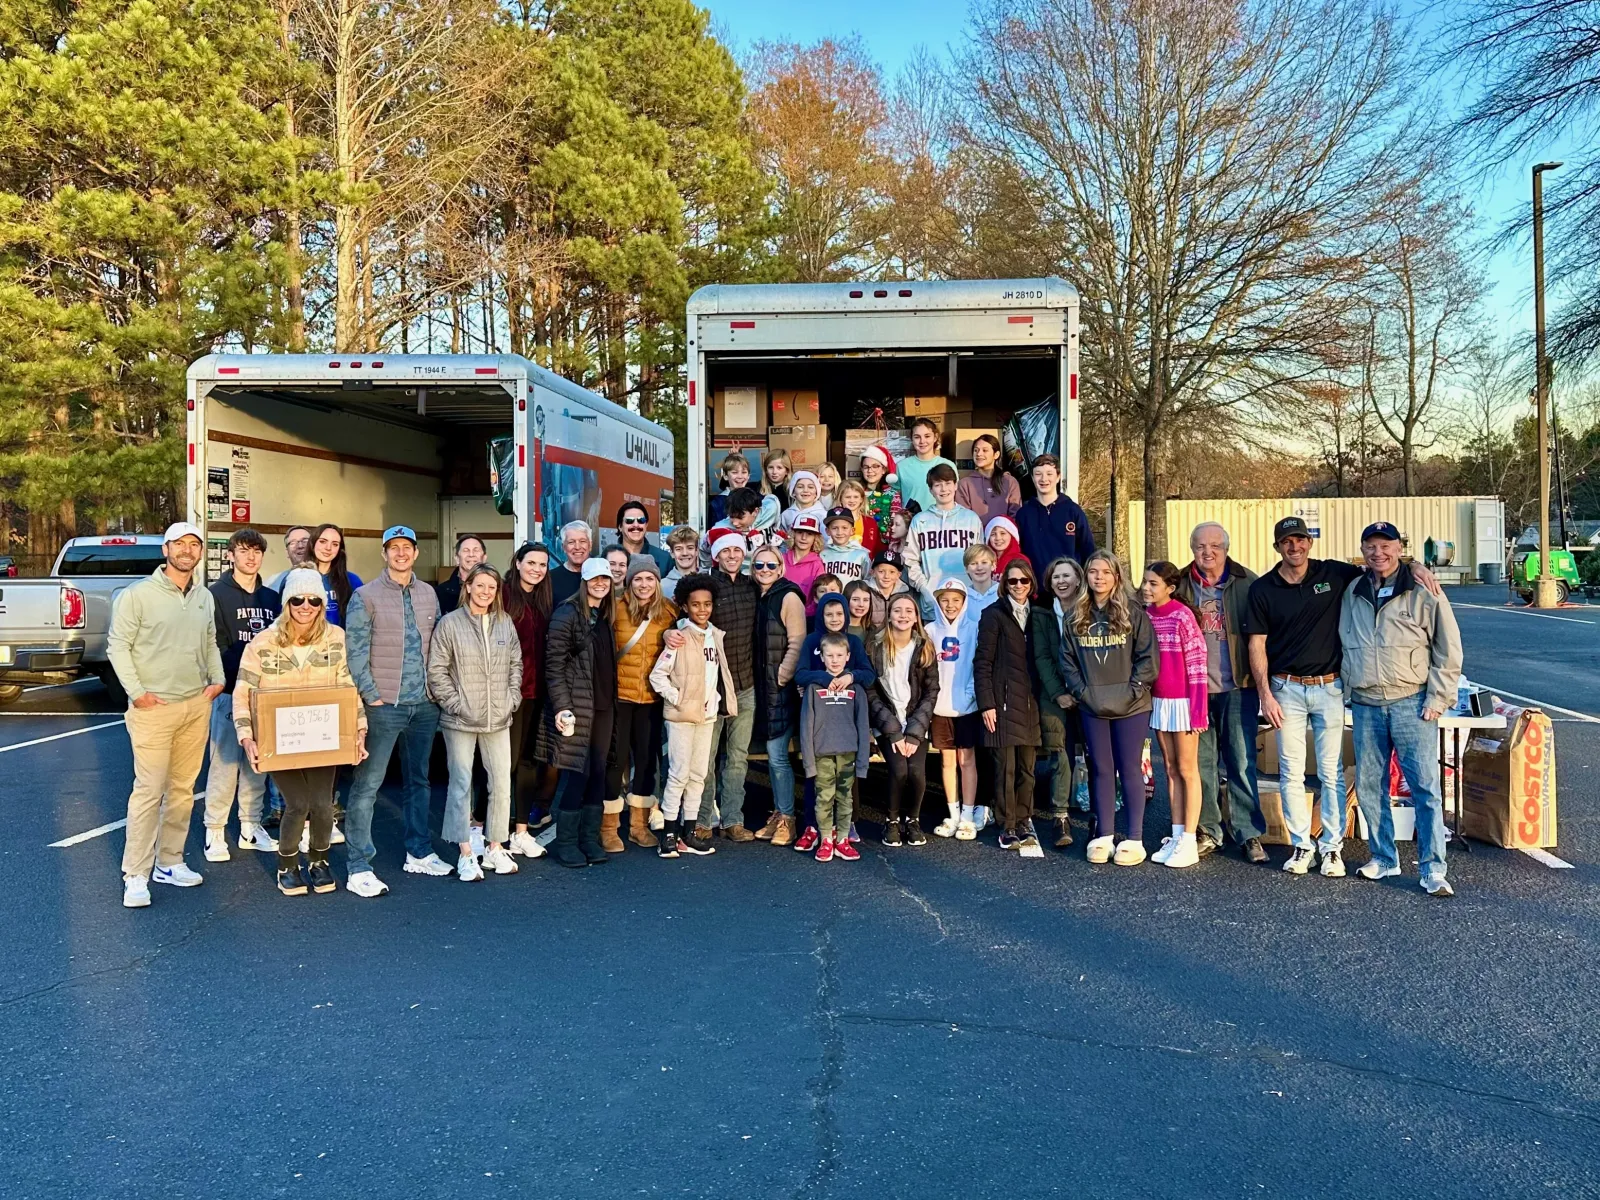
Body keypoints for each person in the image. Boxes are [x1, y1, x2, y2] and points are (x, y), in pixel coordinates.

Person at [1339, 522, 1463, 897]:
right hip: (1366, 704)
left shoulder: (1423, 589)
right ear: (1363, 550)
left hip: (1411, 701)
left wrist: (1438, 697)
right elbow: (1344, 639)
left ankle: (1432, 868)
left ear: (1399, 548)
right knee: (1369, 785)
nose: (1379, 553)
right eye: (1371, 546)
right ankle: (1384, 857)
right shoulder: (1353, 590)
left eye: (1386, 545)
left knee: (1425, 789)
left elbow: (1448, 646)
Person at [108, 522, 226, 908]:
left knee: (182, 790)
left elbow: (209, 639)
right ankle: (136, 874)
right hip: (154, 711)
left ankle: (170, 861)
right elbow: (118, 647)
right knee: (148, 791)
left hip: (195, 705)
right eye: (180, 544)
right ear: (165, 550)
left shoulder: (204, 597)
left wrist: (217, 679)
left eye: (195, 544)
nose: (188, 550)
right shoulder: (137, 595)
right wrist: (138, 695)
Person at [234, 569, 369, 896]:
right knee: (297, 803)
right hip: (280, 742)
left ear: (321, 603)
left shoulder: (336, 638)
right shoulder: (263, 643)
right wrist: (247, 737)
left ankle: (319, 861)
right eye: (297, 599)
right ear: (287, 603)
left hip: (323, 740)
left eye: (313, 600)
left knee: (322, 804)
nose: (305, 606)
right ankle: (288, 865)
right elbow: (243, 691)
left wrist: (359, 730)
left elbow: (348, 688)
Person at [1246, 516, 1366, 877]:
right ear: (1277, 547)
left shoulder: (1333, 575)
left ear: (1310, 542)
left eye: (1300, 540)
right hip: (1286, 690)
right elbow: (1257, 644)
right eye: (1286, 542)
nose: (1294, 547)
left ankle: (1332, 848)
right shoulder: (1263, 589)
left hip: (1329, 688)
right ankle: (1302, 845)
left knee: (1330, 773)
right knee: (1291, 772)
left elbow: (1381, 569)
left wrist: (1417, 570)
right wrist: (1265, 693)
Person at [344, 525, 452, 895]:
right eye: (394, 548)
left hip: (423, 705)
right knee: (368, 785)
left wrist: (436, 692)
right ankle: (359, 865)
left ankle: (418, 852)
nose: (401, 553)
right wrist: (370, 694)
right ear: (384, 553)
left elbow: (439, 645)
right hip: (384, 706)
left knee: (419, 782)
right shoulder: (365, 596)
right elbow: (355, 650)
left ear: (417, 553)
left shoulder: (429, 595)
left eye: (407, 547)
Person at [1059, 550, 1158, 866]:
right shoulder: (1076, 615)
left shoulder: (1134, 613)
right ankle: (1103, 835)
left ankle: (1134, 838)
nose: (1098, 577)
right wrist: (1082, 692)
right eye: (1093, 572)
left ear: (1117, 576)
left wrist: (1132, 692)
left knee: (1129, 768)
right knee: (1101, 768)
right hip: (1093, 704)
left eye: (1105, 572)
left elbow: (1148, 659)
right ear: (1086, 577)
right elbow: (1067, 660)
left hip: (1132, 705)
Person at [1175, 523, 1266, 862]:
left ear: (1226, 548)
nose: (1207, 552)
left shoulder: (1248, 582)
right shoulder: (1180, 584)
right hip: (1192, 690)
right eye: (1200, 546)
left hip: (1237, 686)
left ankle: (1248, 832)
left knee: (1241, 761)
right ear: (1192, 548)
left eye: (1214, 545)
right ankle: (1209, 830)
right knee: (1202, 764)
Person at [426, 564, 522, 881]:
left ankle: (495, 846)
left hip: (499, 718)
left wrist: (512, 699)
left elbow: (515, 665)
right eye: (479, 586)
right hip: (460, 720)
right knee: (461, 784)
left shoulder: (504, 622)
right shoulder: (450, 624)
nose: (485, 592)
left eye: (491, 587)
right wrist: (457, 705)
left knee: (501, 784)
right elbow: (437, 671)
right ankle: (466, 853)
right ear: (468, 586)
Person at [203, 528, 281, 862]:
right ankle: (215, 831)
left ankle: (250, 826)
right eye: (244, 550)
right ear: (230, 554)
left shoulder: (272, 598)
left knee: (257, 764)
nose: (251, 557)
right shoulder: (215, 594)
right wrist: (224, 681)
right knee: (224, 763)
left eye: (257, 551)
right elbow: (213, 644)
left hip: (263, 696)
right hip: (229, 691)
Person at [648, 574, 738, 858]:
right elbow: (657, 676)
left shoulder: (715, 635)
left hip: (708, 716)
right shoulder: (678, 637)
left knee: (699, 775)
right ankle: (670, 834)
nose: (702, 609)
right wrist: (678, 698)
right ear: (685, 606)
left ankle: (689, 832)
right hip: (680, 718)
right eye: (696, 604)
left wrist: (717, 700)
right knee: (678, 775)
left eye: (707, 604)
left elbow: (716, 676)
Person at [541, 558, 618, 868]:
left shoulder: (606, 615)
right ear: (584, 581)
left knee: (598, 773)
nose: (600, 584)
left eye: (605, 579)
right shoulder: (567, 613)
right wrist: (562, 706)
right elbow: (554, 666)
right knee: (578, 772)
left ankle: (589, 838)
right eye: (594, 579)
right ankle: (568, 842)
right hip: (577, 706)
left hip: (603, 705)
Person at [1142, 561, 1210, 870]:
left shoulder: (1182, 616)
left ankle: (1190, 839)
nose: (1146, 588)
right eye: (1145, 582)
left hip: (1183, 703)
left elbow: (1197, 662)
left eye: (1153, 584)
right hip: (1160, 702)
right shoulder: (1146, 616)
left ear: (1170, 588)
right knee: (1170, 769)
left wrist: (1198, 709)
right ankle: (1176, 833)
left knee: (1187, 769)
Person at [693, 533, 762, 840]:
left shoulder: (752, 586)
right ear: (717, 556)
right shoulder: (706, 586)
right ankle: (703, 819)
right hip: (713, 686)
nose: (733, 555)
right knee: (706, 758)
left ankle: (733, 819)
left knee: (737, 757)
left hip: (745, 684)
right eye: (726, 551)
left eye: (738, 550)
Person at [974, 558, 1044, 852]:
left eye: (1024, 581)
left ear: (1031, 583)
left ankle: (1025, 818)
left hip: (1030, 703)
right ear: (1005, 584)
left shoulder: (1039, 615)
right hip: (1001, 702)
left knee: (1028, 768)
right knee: (1005, 769)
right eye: (1013, 581)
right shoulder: (993, 614)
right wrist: (986, 703)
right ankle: (1008, 825)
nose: (1018, 586)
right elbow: (982, 663)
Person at [610, 555, 676, 851]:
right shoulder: (615, 608)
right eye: (638, 578)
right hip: (620, 696)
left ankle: (638, 824)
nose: (644, 584)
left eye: (649, 578)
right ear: (629, 581)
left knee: (647, 762)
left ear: (657, 582)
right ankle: (609, 827)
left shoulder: (669, 612)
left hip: (651, 698)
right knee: (615, 761)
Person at [869, 593, 939, 846]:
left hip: (915, 724)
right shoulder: (875, 646)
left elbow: (931, 691)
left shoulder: (924, 647)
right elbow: (870, 692)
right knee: (899, 770)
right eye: (897, 610)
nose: (903, 615)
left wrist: (913, 732)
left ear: (916, 617)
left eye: (909, 611)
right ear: (889, 614)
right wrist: (894, 731)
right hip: (887, 723)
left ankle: (913, 820)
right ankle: (892, 820)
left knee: (917, 773)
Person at [750, 548, 807, 847]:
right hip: (760, 687)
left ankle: (787, 818)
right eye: (758, 564)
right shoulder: (756, 595)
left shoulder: (788, 597)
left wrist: (780, 676)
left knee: (777, 756)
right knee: (773, 756)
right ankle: (778, 813)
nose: (764, 568)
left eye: (771, 564)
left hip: (777, 687)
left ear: (781, 567)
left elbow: (797, 642)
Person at [799, 633, 872, 862]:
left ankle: (842, 839)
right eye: (829, 655)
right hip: (822, 754)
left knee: (845, 798)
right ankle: (825, 840)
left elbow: (863, 726)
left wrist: (863, 763)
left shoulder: (855, 689)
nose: (835, 659)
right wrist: (808, 763)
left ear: (848, 656)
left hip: (847, 753)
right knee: (824, 798)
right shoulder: (813, 687)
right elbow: (806, 726)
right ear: (822, 657)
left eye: (840, 655)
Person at [1030, 556, 1085, 849]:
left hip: (1088, 692)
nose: (1061, 582)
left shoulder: (1089, 611)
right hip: (1054, 693)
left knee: (1095, 752)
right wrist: (1058, 693)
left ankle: (1100, 816)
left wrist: (1080, 691)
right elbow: (1042, 657)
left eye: (1066, 576)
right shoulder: (1041, 615)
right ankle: (1060, 816)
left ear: (1078, 579)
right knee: (1059, 752)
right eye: (1055, 577)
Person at [503, 542, 552, 857]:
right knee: (500, 764)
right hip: (509, 694)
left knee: (528, 762)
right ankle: (490, 828)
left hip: (539, 693)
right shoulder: (503, 596)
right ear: (518, 563)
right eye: (531, 562)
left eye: (542, 565)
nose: (536, 569)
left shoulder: (546, 599)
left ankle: (521, 830)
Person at [926, 576, 981, 839]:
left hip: (966, 707)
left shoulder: (973, 628)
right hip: (939, 707)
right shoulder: (929, 631)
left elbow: (978, 665)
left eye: (956, 600)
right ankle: (953, 813)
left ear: (964, 602)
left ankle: (969, 814)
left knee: (966, 760)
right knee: (947, 761)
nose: (950, 605)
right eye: (945, 600)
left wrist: (971, 694)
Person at [904, 463, 984, 615]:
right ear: (931, 490)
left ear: (955, 485)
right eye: (938, 485)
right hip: (932, 604)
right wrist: (924, 588)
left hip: (967, 603)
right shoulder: (920, 520)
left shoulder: (971, 519)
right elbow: (910, 560)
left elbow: (980, 560)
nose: (943, 489)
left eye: (948, 483)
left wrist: (974, 591)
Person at [1015, 454, 1095, 572]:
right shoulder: (1023, 514)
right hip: (1035, 586)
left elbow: (1088, 550)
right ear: (1032, 478)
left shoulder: (1073, 511)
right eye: (1038, 474)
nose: (1043, 479)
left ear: (1058, 477)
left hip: (1069, 585)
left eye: (1049, 474)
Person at [794, 593, 878, 699]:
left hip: (848, 705)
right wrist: (822, 678)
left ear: (846, 615)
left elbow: (869, 675)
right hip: (818, 705)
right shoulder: (811, 640)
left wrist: (850, 677)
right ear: (821, 616)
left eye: (839, 614)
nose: (834, 619)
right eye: (829, 615)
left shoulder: (853, 641)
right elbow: (800, 675)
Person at [700, 486, 784, 569]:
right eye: (732, 517)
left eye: (740, 517)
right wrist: (708, 569)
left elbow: (772, 500)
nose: (735, 523)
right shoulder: (721, 528)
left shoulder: (771, 509)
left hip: (768, 570)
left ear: (755, 511)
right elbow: (704, 548)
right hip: (741, 574)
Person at [955, 434, 1021, 523]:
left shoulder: (1009, 481)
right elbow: (963, 518)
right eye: (976, 450)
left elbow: (1015, 515)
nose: (979, 454)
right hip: (975, 535)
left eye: (985, 450)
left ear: (996, 454)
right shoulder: (964, 484)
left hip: (1002, 536)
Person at [896, 417, 957, 514]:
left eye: (927, 436)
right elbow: (895, 498)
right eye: (917, 437)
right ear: (911, 439)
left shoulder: (948, 465)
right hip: (911, 522)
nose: (922, 441)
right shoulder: (901, 467)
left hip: (940, 522)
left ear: (935, 437)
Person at [306, 523, 362, 627]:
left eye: (335, 544)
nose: (328, 548)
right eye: (323, 541)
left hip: (340, 641)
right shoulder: (294, 578)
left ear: (340, 549)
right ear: (312, 543)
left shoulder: (353, 581)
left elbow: (360, 621)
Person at [858, 444, 902, 548]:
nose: (870, 470)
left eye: (875, 466)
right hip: (859, 546)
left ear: (883, 470)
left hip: (885, 547)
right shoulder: (856, 492)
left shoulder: (892, 494)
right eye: (866, 467)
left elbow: (896, 523)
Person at [782, 514, 827, 615]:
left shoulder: (817, 564)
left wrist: (805, 613)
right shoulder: (782, 559)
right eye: (800, 532)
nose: (803, 537)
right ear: (793, 534)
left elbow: (819, 594)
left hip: (805, 617)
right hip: (779, 614)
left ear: (816, 538)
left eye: (809, 534)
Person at [434, 534, 486, 615]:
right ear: (457, 559)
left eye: (476, 550)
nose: (471, 554)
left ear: (484, 558)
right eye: (466, 550)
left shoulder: (498, 590)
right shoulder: (440, 593)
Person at [616, 499, 673, 573]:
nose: (636, 525)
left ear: (646, 525)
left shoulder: (665, 559)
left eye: (641, 520)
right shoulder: (607, 559)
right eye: (629, 521)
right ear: (620, 526)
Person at [821, 507, 871, 584]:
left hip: (853, 596)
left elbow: (868, 579)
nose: (839, 532)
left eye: (844, 528)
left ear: (852, 531)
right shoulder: (822, 554)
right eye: (834, 528)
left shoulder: (862, 555)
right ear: (827, 531)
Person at [551, 521, 593, 607]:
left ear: (590, 545)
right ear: (563, 547)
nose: (577, 547)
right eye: (571, 542)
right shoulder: (551, 578)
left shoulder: (602, 576)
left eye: (582, 541)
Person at [836, 479, 882, 556]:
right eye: (848, 497)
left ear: (861, 499)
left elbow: (877, 548)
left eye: (856, 497)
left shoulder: (870, 522)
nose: (852, 500)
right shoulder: (833, 521)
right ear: (840, 499)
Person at [708, 451, 753, 527]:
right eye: (735, 472)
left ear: (748, 476)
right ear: (725, 476)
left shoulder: (755, 499)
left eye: (744, 472)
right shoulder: (717, 503)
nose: (740, 476)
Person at [266, 525, 312, 591]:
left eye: (305, 541)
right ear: (287, 552)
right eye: (293, 542)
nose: (300, 546)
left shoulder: (329, 579)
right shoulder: (273, 582)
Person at [962, 544, 1000, 613]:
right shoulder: (963, 597)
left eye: (984, 562)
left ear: (993, 566)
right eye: (973, 563)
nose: (979, 568)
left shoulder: (1003, 593)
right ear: (966, 569)